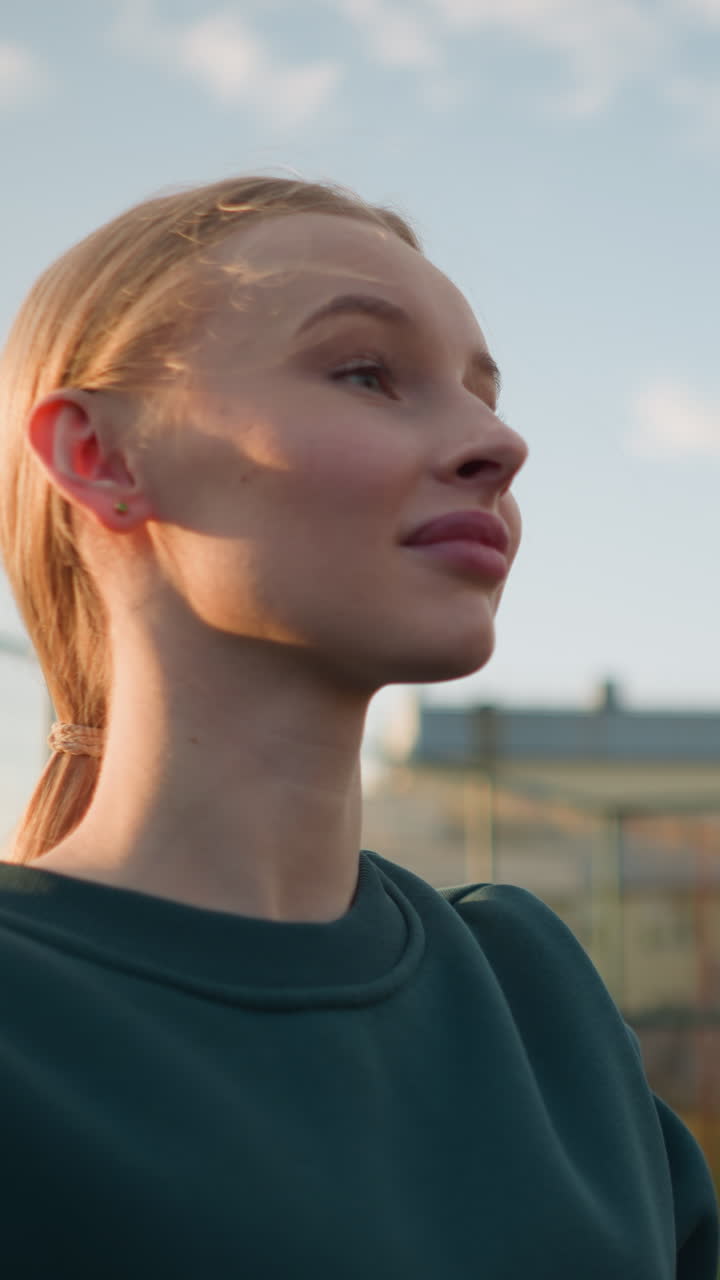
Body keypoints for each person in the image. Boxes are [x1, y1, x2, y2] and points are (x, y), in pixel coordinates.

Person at [0, 175, 716, 1278]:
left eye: (483, 393)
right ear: (101, 457)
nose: (500, 442)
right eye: (367, 373)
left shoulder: (536, 995)